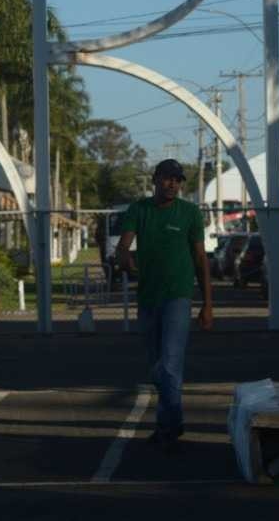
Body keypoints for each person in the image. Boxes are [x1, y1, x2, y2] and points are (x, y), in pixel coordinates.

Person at [115, 158, 214, 451]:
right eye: (167, 178)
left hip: (178, 297)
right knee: (157, 367)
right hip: (148, 297)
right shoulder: (139, 209)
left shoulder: (190, 213)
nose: (173, 184)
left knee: (170, 364)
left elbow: (200, 259)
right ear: (155, 179)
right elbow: (124, 245)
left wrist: (207, 304)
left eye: (177, 179)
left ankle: (167, 426)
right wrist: (125, 258)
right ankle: (174, 420)